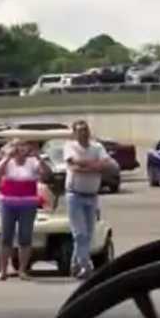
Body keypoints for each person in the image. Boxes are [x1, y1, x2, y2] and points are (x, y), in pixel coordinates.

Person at [61, 119, 115, 279]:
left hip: (91, 196)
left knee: (88, 234)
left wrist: (85, 167)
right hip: (74, 195)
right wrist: (94, 166)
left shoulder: (97, 147)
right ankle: (86, 266)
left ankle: (75, 264)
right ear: (75, 133)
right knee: (80, 234)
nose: (83, 133)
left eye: (85, 130)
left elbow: (106, 164)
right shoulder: (69, 147)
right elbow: (73, 165)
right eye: (80, 131)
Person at [0, 137, 48, 281]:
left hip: (27, 204)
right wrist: (7, 157)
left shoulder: (33, 162)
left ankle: (22, 270)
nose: (19, 149)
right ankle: (3, 271)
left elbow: (47, 174)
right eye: (16, 146)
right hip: (8, 203)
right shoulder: (7, 161)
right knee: (6, 237)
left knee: (25, 236)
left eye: (22, 146)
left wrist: (39, 158)